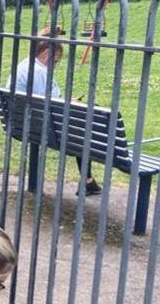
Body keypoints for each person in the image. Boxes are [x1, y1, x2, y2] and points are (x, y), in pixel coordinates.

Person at [9, 27, 100, 195]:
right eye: (56, 60)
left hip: (21, 122)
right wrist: (68, 103)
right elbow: (46, 105)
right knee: (86, 128)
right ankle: (87, 181)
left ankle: (89, 181)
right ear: (46, 54)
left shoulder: (25, 64)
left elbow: (41, 100)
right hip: (41, 126)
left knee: (83, 124)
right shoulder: (40, 72)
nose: (55, 65)